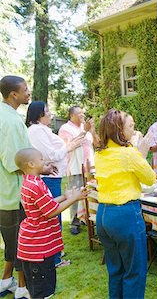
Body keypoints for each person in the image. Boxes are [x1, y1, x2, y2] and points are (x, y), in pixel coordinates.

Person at [95, 109, 156, 299]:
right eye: (131, 126)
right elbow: (150, 178)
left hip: (103, 214)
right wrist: (141, 153)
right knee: (134, 272)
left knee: (116, 271)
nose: (134, 130)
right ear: (119, 130)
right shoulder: (129, 154)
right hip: (125, 214)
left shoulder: (101, 153)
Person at [14, 148, 87, 299]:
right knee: (42, 292)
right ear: (32, 164)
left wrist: (65, 196)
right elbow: (51, 212)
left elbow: (46, 205)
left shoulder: (32, 182)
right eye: (41, 159)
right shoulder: (35, 186)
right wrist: (74, 198)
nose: (44, 162)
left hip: (35, 248)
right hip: (38, 249)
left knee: (39, 290)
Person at [25, 101, 83, 267]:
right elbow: (50, 154)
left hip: (54, 176)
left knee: (54, 216)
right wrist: (69, 147)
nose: (50, 114)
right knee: (53, 215)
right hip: (49, 178)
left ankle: (55, 252)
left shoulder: (42, 130)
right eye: (47, 111)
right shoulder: (36, 131)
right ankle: (55, 258)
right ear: (38, 115)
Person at [0, 75, 33, 299]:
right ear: (14, 94)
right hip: (12, 194)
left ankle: (5, 280)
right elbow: (13, 161)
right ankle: (22, 288)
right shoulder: (10, 121)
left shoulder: (6, 115)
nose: (28, 92)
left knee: (11, 241)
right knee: (21, 243)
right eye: (25, 89)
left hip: (5, 193)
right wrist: (39, 168)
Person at [58, 105, 98, 235]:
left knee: (90, 193)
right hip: (75, 167)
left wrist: (91, 130)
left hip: (90, 166)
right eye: (79, 114)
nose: (83, 115)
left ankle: (87, 219)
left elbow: (96, 144)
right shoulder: (65, 129)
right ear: (72, 116)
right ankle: (74, 222)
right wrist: (85, 131)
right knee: (75, 195)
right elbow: (68, 146)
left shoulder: (84, 127)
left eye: (83, 113)